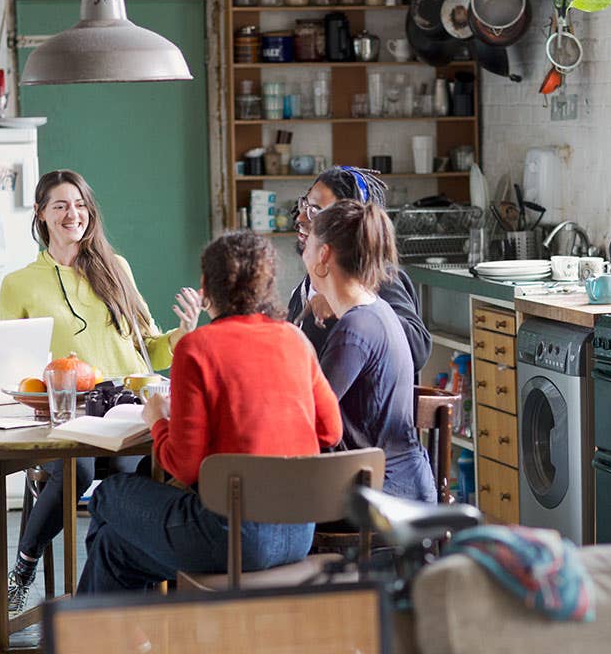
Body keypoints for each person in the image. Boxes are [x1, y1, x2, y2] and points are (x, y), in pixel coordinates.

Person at [77, 230, 343, 592]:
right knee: (113, 548)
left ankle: (99, 632)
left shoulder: (198, 348)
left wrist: (157, 419)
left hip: (230, 537)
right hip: (297, 534)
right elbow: (330, 432)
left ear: (205, 286)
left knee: (109, 493)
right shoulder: (294, 340)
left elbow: (184, 466)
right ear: (267, 286)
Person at [0, 169, 200, 610]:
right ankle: (24, 567)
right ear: (41, 214)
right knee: (80, 469)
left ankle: (111, 591)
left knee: (132, 475)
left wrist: (185, 331)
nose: (74, 214)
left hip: (127, 406)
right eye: (61, 205)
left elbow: (151, 349)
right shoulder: (18, 284)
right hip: (64, 411)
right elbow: (13, 362)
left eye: (80, 205)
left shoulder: (116, 268)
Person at [302, 199, 436, 503]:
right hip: (396, 484)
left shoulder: (355, 329)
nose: (304, 254)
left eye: (308, 244)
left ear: (324, 255)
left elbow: (307, 414)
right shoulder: (375, 310)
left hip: (383, 494)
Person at [288, 166, 431, 372]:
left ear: (348, 222)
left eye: (314, 211)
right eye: (304, 205)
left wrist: (346, 305)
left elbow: (417, 348)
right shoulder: (310, 283)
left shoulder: (377, 276)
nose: (301, 218)